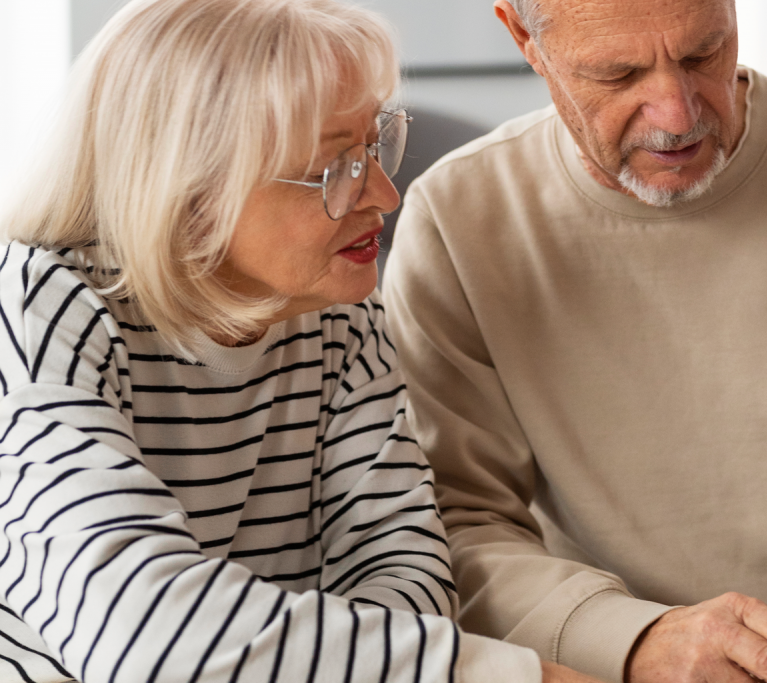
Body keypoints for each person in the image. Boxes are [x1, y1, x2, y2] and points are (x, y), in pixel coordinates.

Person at [381, 0, 767, 682]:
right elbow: (455, 520)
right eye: (618, 74)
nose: (678, 115)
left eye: (701, 54)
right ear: (522, 37)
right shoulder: (456, 220)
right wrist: (633, 637)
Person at [0, 1, 601, 681]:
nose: (384, 193)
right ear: (195, 196)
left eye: (375, 146)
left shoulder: (338, 314)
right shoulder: (36, 310)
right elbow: (141, 630)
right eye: (334, 169)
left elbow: (406, 576)